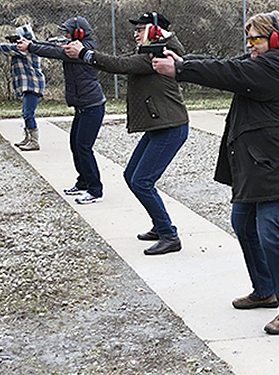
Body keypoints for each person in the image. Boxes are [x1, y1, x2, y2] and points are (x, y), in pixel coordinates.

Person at [152, 11, 279, 335]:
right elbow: (225, 63)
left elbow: (228, 72)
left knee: (270, 231)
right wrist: (182, 60)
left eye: (255, 39)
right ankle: (265, 289)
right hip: (263, 162)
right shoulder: (265, 61)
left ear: (274, 39)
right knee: (242, 221)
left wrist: (181, 69)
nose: (250, 45)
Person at [62, 12, 189, 255]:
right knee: (132, 175)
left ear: (154, 32)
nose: (135, 33)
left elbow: (120, 65)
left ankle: (169, 235)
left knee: (142, 181)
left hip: (170, 128)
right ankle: (159, 224)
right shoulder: (149, 51)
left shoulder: (158, 53)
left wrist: (85, 54)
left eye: (141, 29)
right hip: (158, 127)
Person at [18, 17, 106, 204]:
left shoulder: (82, 49)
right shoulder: (75, 45)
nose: (65, 35)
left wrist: (31, 47)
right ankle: (83, 182)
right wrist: (31, 43)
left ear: (79, 33)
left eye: (68, 32)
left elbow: (54, 52)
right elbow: (51, 46)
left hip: (92, 106)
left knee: (83, 147)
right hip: (83, 106)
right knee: (75, 144)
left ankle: (95, 190)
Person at [0, 24, 44, 151]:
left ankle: (34, 141)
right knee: (26, 113)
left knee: (28, 113)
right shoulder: (29, 47)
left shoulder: (27, 48)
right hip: (30, 85)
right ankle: (28, 138)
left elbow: (6, 48)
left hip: (32, 85)